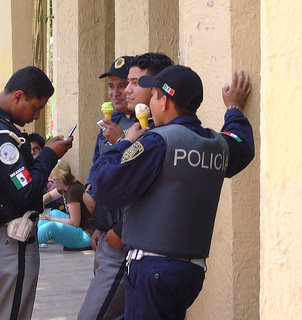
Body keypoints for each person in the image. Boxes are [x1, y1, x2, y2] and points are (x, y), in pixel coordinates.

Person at [91, 65, 255, 319]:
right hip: (191, 271)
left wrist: (123, 142)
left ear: (164, 101)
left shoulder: (157, 141)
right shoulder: (217, 144)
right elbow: (241, 144)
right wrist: (234, 109)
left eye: (153, 95)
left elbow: (105, 185)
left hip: (152, 269)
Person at [0, 66, 73, 320]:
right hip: (8, 241)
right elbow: (26, 191)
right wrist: (48, 156)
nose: (35, 116)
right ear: (18, 96)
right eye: (36, 108)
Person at [79, 53, 173, 320]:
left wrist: (123, 142)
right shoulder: (118, 122)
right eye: (117, 85)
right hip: (110, 233)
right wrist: (100, 224)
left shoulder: (158, 133)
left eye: (131, 83)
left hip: (131, 244)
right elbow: (101, 169)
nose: (123, 91)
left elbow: (146, 191)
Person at [38, 160, 93, 249]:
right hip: (80, 227)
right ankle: (29, 233)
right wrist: (41, 202)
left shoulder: (73, 191)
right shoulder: (66, 186)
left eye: (52, 181)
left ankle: (28, 242)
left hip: (86, 234)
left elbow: (75, 223)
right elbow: (51, 196)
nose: (51, 184)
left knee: (52, 226)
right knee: (53, 213)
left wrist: (51, 219)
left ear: (61, 178)